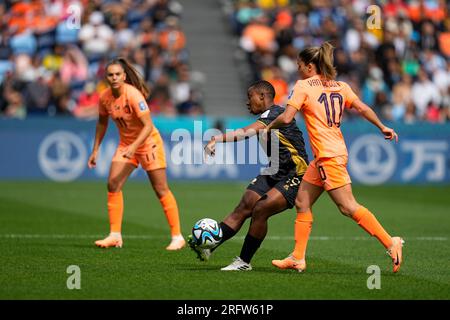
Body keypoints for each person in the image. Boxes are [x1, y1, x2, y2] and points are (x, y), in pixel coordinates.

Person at [266, 42, 404, 273]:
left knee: (348, 207)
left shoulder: (303, 86)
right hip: (328, 154)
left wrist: (269, 126)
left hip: (329, 156)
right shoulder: (340, 86)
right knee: (302, 202)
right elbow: (361, 108)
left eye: (300, 65)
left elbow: (287, 117)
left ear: (310, 66)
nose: (298, 69)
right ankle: (298, 257)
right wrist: (382, 126)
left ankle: (391, 242)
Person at [188, 80, 309, 271]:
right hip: (274, 171)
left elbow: (244, 132)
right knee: (244, 206)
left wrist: (216, 139)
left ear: (262, 96)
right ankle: (210, 246)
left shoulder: (275, 113)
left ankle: (244, 262)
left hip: (295, 173)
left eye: (249, 97)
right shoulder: (267, 116)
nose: (247, 102)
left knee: (261, 209)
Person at [87, 57, 185, 250]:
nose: (114, 77)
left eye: (117, 74)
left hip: (148, 143)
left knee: (160, 188)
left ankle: (177, 236)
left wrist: (134, 147)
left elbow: (148, 126)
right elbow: (101, 123)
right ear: (105, 77)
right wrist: (96, 149)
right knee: (113, 183)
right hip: (127, 144)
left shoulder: (133, 96)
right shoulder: (105, 97)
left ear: (124, 76)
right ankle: (115, 235)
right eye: (110, 75)